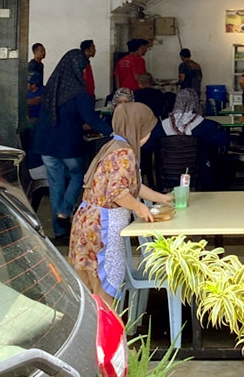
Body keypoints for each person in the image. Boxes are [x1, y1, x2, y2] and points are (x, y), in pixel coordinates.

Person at [68, 102, 173, 308]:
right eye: (148, 131)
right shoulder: (124, 153)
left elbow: (133, 185)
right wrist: (140, 208)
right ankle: (108, 338)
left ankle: (93, 336)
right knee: (104, 295)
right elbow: (118, 193)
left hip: (86, 224)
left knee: (90, 293)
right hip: (102, 230)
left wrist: (162, 198)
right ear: (138, 129)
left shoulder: (112, 145)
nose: (149, 136)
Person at [33, 48, 113, 240]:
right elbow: (90, 118)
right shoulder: (78, 92)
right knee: (78, 176)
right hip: (68, 144)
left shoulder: (50, 87)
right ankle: (64, 211)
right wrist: (112, 131)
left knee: (56, 185)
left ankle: (59, 230)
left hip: (46, 145)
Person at [147, 88, 230, 190]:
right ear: (196, 103)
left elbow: (148, 146)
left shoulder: (162, 126)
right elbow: (223, 141)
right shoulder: (205, 125)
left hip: (166, 176)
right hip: (198, 176)